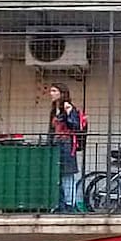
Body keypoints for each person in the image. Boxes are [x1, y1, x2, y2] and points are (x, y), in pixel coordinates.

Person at [47, 83, 82, 211]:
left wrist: (68, 114)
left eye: (54, 91)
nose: (51, 93)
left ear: (61, 93)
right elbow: (51, 130)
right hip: (56, 145)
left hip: (66, 145)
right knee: (57, 175)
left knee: (67, 175)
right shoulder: (54, 109)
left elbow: (75, 126)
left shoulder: (68, 107)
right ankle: (59, 204)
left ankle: (70, 204)